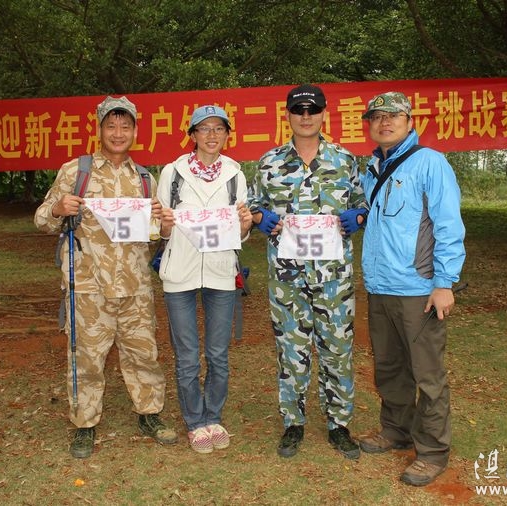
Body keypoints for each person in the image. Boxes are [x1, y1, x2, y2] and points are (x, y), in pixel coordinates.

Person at [34, 95, 178, 459]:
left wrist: (162, 224)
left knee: (143, 355)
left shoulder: (144, 178)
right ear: (99, 129)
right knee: (86, 359)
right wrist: (58, 208)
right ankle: (85, 424)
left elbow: (153, 236)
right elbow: (42, 220)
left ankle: (149, 414)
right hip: (88, 287)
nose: (118, 133)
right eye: (111, 125)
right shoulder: (75, 172)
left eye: (125, 126)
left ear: (135, 131)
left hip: (135, 286)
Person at [249, 84, 368, 460]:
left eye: (312, 110)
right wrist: (260, 217)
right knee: (291, 350)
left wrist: (357, 216)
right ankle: (293, 423)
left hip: (334, 278)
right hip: (287, 278)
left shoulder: (344, 161)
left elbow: (362, 201)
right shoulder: (269, 163)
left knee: (337, 350)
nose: (305, 116)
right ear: (287, 115)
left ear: (323, 114)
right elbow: (252, 204)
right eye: (298, 110)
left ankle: (339, 424)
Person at [356, 91, 466, 486]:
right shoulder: (372, 168)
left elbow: (448, 224)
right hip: (380, 286)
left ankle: (433, 451)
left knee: (427, 373)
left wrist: (444, 282)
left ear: (409, 121)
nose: (384, 122)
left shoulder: (430, 163)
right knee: (389, 367)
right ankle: (396, 430)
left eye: (393, 116)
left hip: (418, 288)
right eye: (377, 117)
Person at [156, 105, 252, 454]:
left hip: (221, 272)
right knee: (187, 356)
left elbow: (239, 233)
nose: (212, 135)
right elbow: (160, 230)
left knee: (218, 353)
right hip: (179, 272)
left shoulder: (236, 175)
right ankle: (195, 422)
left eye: (218, 129)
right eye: (204, 128)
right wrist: (165, 226)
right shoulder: (173, 173)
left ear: (227, 135)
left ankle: (213, 416)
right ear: (193, 135)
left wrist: (245, 226)